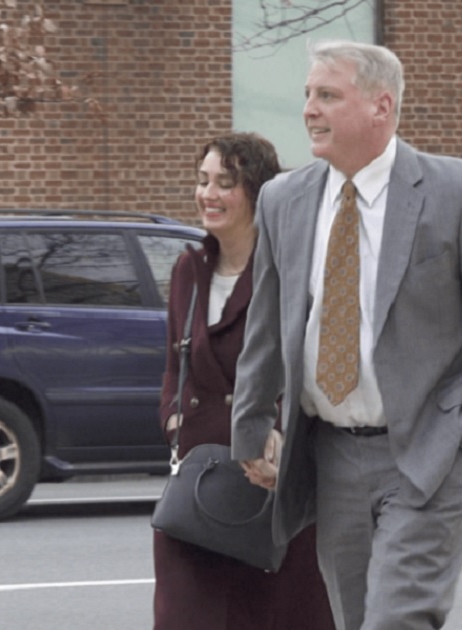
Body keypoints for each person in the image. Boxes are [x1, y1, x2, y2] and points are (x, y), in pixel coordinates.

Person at [231, 41, 462, 629]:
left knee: (396, 620)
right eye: (307, 96)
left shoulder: (461, 193)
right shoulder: (282, 200)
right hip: (332, 457)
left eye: (327, 95)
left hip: (429, 452)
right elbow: (266, 327)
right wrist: (250, 428)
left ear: (381, 107)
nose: (309, 110)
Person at [153, 132, 334, 630]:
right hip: (196, 488)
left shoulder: (294, 272)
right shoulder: (189, 270)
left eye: (225, 183)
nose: (208, 194)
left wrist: (275, 437)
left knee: (279, 616)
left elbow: (310, 367)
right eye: (203, 180)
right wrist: (173, 419)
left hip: (268, 485)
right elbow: (174, 364)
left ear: (258, 193)